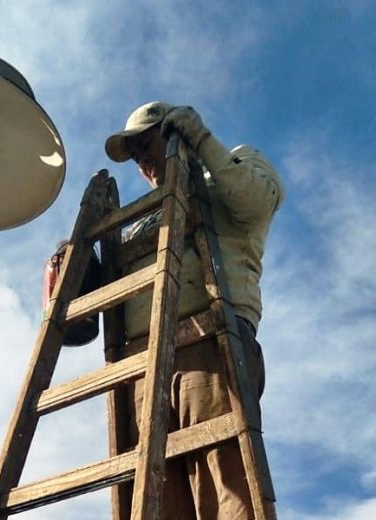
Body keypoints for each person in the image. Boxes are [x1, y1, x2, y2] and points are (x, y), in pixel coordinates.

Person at [104, 102, 285, 519]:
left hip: (207, 338)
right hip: (141, 367)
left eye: (147, 144)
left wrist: (202, 142)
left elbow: (256, 203)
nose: (144, 161)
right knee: (155, 498)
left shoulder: (228, 167)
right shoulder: (144, 218)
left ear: (178, 132)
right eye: (135, 157)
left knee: (224, 485)